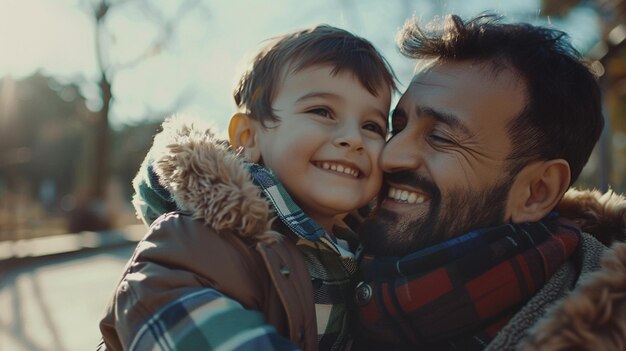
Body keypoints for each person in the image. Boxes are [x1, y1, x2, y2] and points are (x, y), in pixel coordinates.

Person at [99, 24, 395, 350]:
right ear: (248, 137)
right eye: (322, 111)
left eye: (372, 126)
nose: (353, 138)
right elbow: (160, 301)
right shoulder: (199, 240)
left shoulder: (365, 254)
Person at [354, 14, 626, 350]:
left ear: (536, 192)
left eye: (440, 137)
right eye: (396, 127)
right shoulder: (302, 274)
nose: (389, 157)